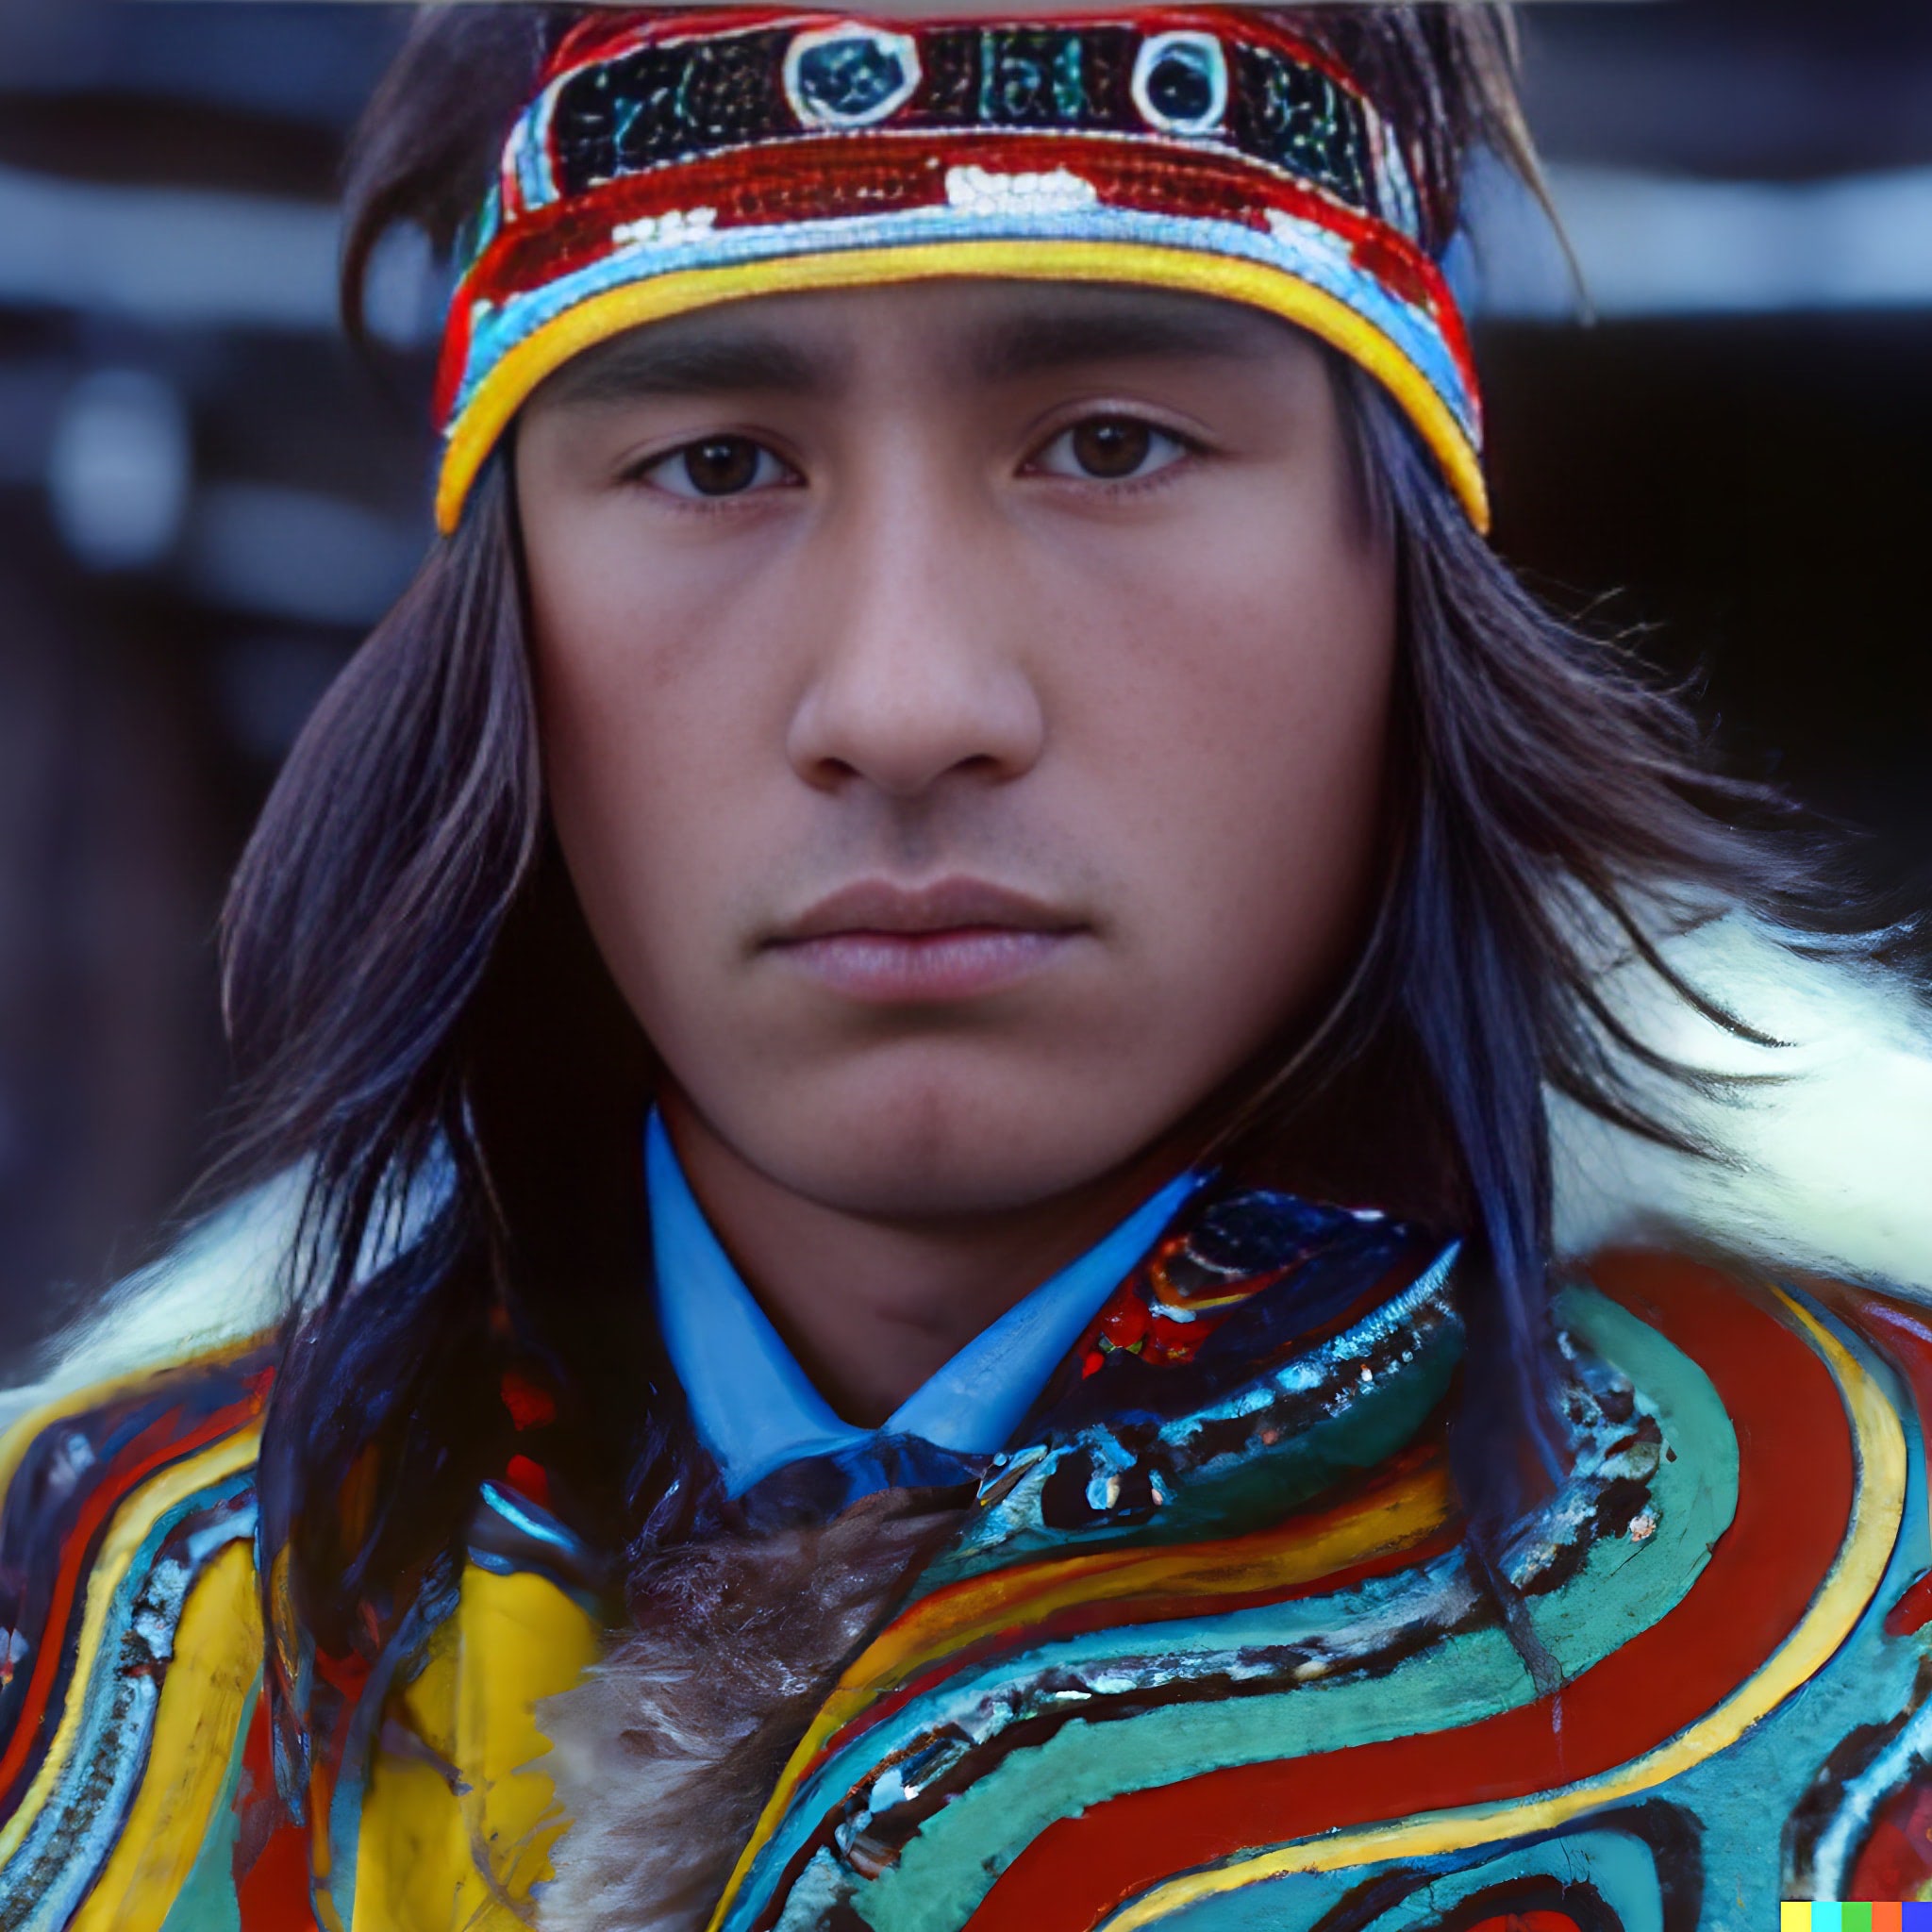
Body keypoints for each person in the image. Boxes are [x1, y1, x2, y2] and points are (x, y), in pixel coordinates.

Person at [3, 6, 1931, 1928]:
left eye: (1109, 443)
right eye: (716, 461)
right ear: (506, 627)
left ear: (1405, 588)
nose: (904, 701)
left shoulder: (1881, 1608)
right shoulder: (83, 1627)